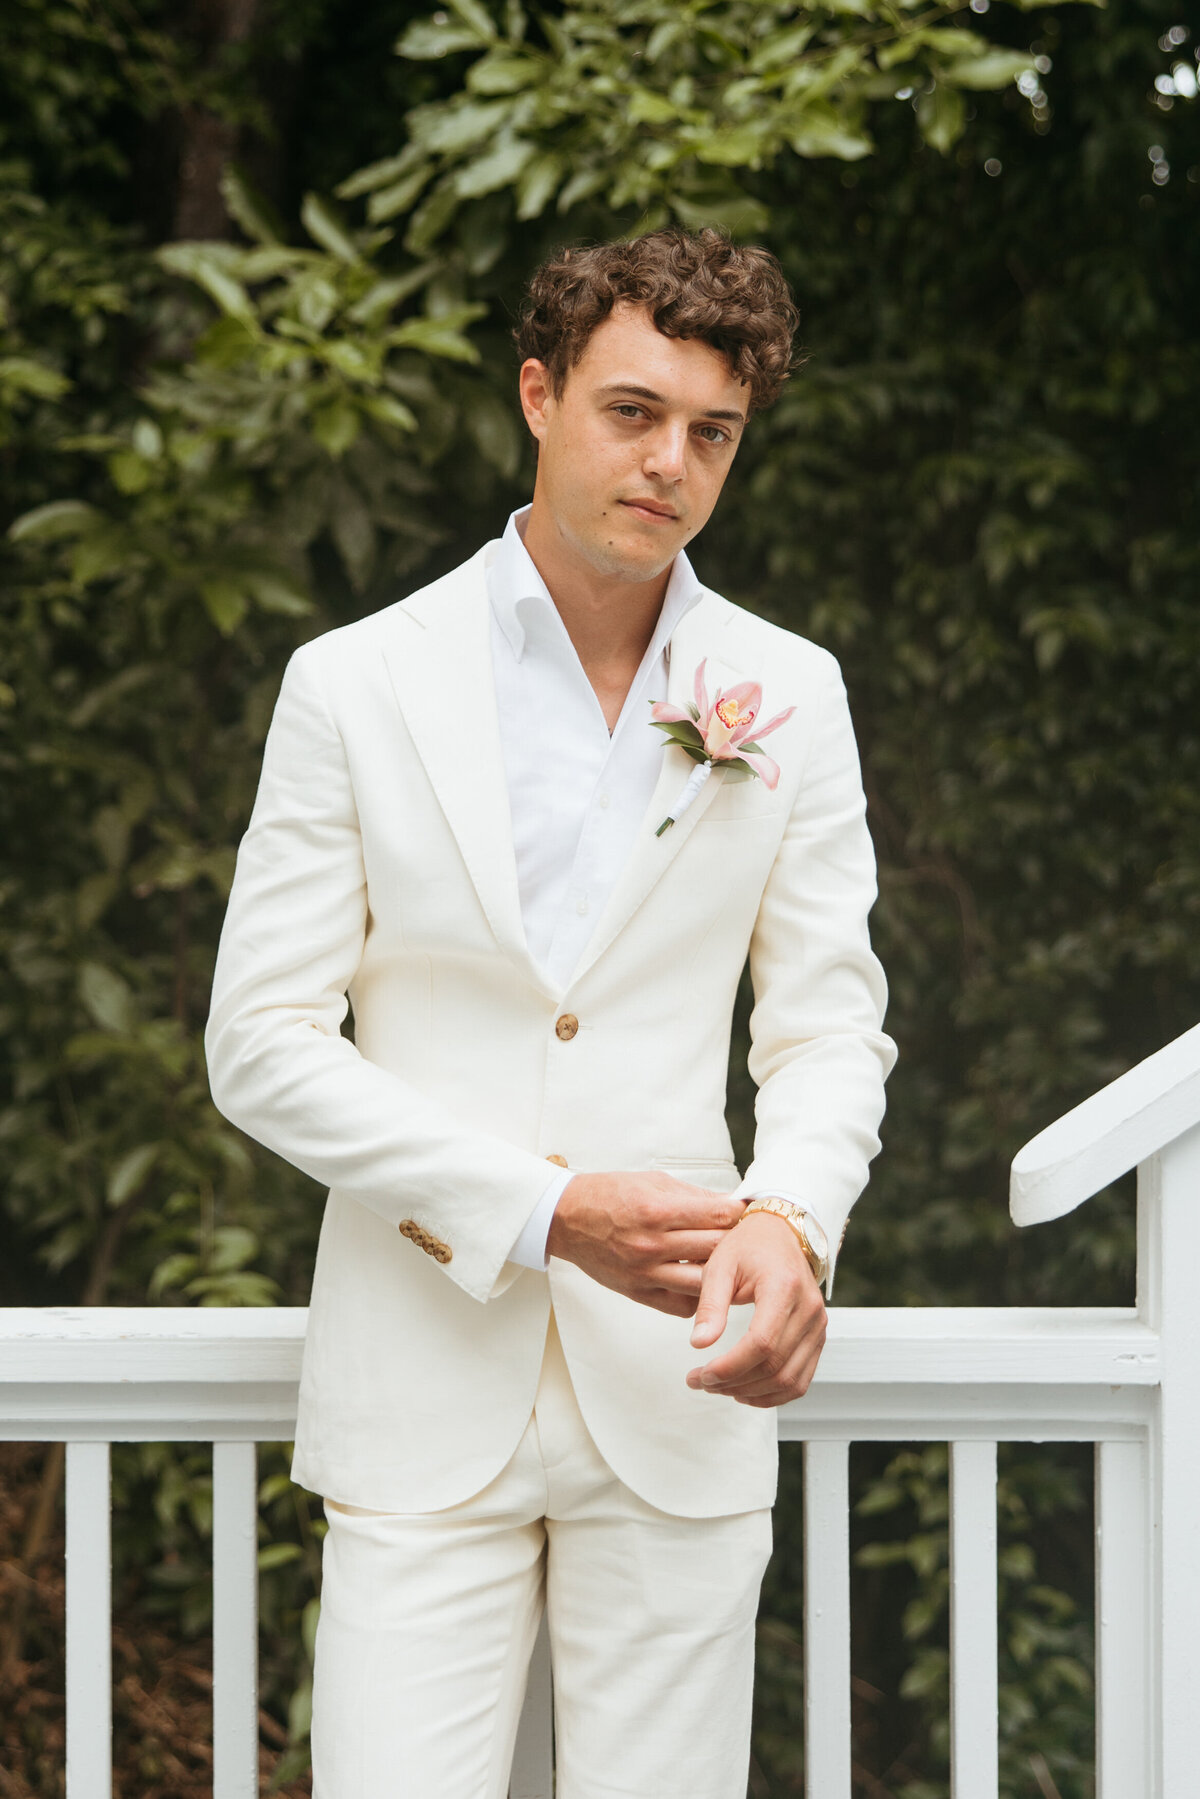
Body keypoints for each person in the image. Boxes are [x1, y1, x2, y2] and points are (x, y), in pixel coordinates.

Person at [205, 226, 896, 1799]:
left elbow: (828, 1025)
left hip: (683, 1375)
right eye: (632, 412)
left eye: (712, 432)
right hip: (420, 1379)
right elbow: (260, 1041)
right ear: (539, 393)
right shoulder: (356, 683)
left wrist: (791, 1219)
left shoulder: (791, 690)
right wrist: (543, 1211)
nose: (671, 464)